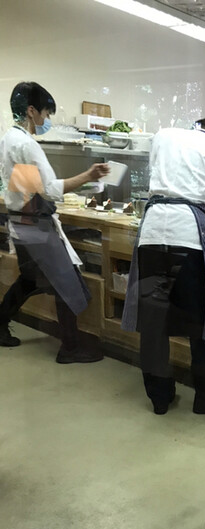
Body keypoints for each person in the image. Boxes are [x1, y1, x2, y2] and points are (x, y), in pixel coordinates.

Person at [122, 117, 205, 415]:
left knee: (154, 322)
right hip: (189, 237)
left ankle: (159, 397)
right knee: (201, 323)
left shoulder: (164, 136)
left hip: (152, 234)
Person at [0, 81, 109, 362]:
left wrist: (77, 186)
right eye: (46, 113)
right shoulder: (27, 144)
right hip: (35, 225)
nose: (46, 119)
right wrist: (88, 176)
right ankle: (70, 348)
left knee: (29, 279)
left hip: (21, 221)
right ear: (31, 110)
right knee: (66, 283)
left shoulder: (9, 139)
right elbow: (49, 189)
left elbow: (26, 184)